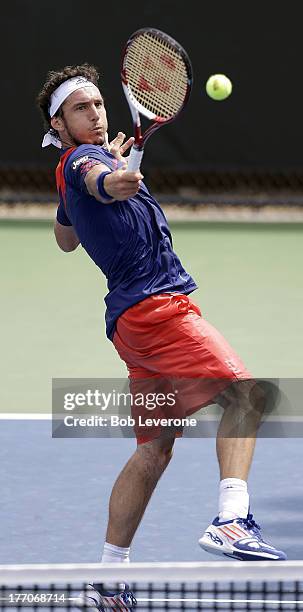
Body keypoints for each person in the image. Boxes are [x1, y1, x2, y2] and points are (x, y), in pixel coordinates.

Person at [37, 64, 286, 610]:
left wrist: (87, 193)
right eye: (82, 108)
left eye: (100, 104)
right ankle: (231, 518)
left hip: (130, 324)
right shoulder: (83, 160)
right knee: (248, 396)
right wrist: (111, 181)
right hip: (156, 310)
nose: (96, 114)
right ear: (59, 122)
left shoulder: (71, 162)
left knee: (155, 451)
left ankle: (108, 574)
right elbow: (101, 182)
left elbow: (64, 239)